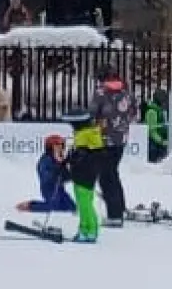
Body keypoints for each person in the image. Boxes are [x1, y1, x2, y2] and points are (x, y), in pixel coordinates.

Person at [89, 64, 135, 227]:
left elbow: (92, 114)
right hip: (121, 139)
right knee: (113, 173)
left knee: (106, 177)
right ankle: (120, 208)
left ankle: (114, 215)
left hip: (104, 140)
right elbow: (134, 114)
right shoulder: (126, 93)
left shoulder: (101, 93)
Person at [60, 108, 104, 243]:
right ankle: (88, 228)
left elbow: (81, 154)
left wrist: (71, 160)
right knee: (85, 202)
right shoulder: (91, 133)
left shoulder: (84, 135)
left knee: (84, 204)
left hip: (83, 174)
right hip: (87, 173)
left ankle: (89, 231)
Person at [15, 135, 77, 214]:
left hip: (60, 188)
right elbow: (46, 175)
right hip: (49, 189)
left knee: (71, 207)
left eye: (62, 145)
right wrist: (57, 172)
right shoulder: (46, 159)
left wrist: (71, 172)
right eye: (57, 145)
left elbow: (66, 176)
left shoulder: (59, 159)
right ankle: (29, 205)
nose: (60, 148)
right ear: (50, 147)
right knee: (53, 206)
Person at [143, 89, 169, 162]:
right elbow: (152, 131)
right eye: (164, 100)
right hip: (154, 144)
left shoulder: (160, 110)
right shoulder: (152, 111)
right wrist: (161, 141)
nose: (165, 103)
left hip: (160, 142)